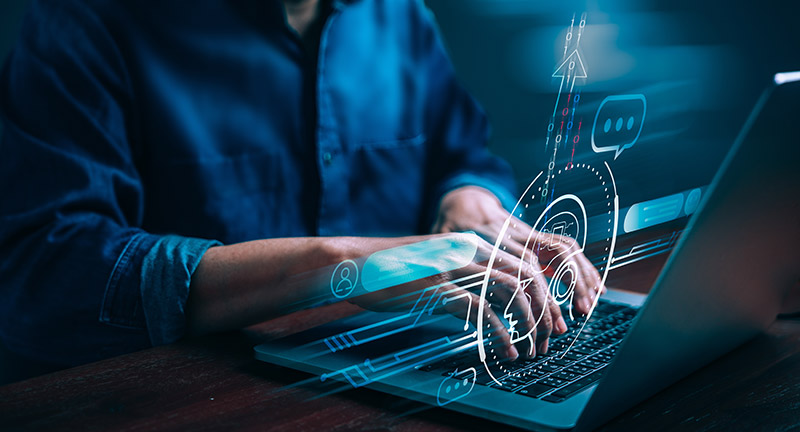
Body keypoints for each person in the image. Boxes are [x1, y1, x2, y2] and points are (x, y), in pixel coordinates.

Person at [0, 0, 602, 375]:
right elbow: (46, 275)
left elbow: (462, 152)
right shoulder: (84, 21)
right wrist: (342, 264)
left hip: (398, 369)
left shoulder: (400, 17)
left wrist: (468, 198)